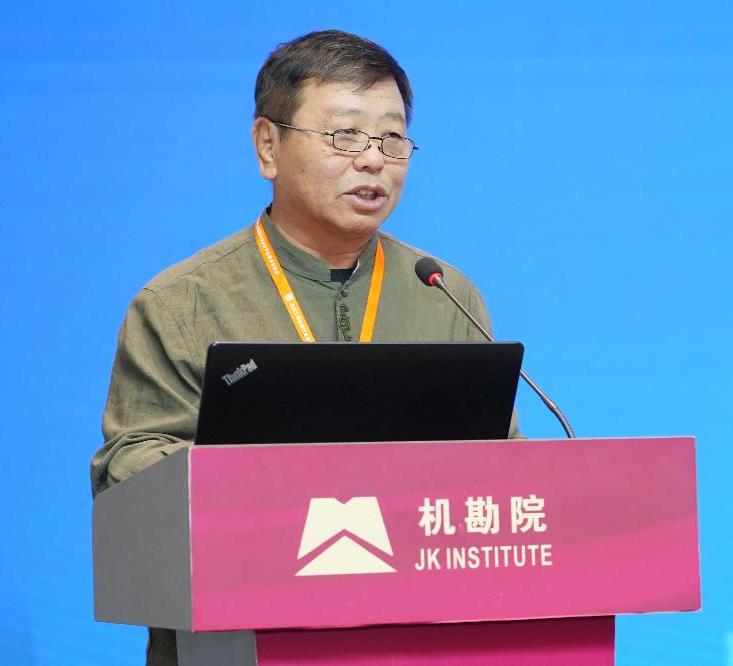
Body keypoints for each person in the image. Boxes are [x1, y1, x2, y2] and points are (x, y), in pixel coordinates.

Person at [90, 30, 518, 666]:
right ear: (268, 146)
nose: (373, 160)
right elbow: (130, 470)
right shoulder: (182, 302)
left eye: (392, 138)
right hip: (238, 636)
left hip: (416, 638)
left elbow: (504, 472)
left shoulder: (443, 294)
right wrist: (287, 489)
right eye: (345, 135)